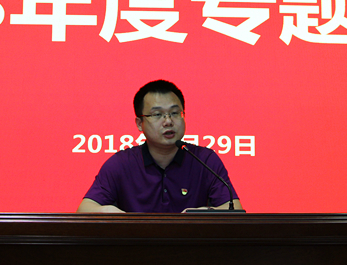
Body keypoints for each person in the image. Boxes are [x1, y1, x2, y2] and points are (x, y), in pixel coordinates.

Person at [77, 80, 243, 213]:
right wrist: (111, 213)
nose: (168, 121)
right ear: (139, 123)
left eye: (175, 113)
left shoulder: (205, 160)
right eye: (157, 114)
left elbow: (235, 209)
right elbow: (84, 210)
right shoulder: (121, 164)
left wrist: (205, 213)